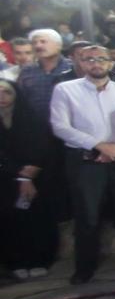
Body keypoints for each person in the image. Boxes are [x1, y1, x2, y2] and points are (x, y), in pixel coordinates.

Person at [48, 44, 115, 284]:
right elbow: (60, 126)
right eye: (89, 59)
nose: (95, 63)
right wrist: (99, 145)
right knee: (87, 215)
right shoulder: (65, 90)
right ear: (80, 63)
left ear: (110, 62)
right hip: (86, 160)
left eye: (101, 58)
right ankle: (84, 267)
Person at [0, 77, 56, 277]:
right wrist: (20, 176)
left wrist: (30, 173)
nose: (2, 97)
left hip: (36, 176)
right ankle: (16, 261)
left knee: (37, 217)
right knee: (9, 219)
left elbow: (44, 147)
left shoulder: (32, 118)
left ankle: (40, 258)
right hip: (6, 179)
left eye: (7, 92)